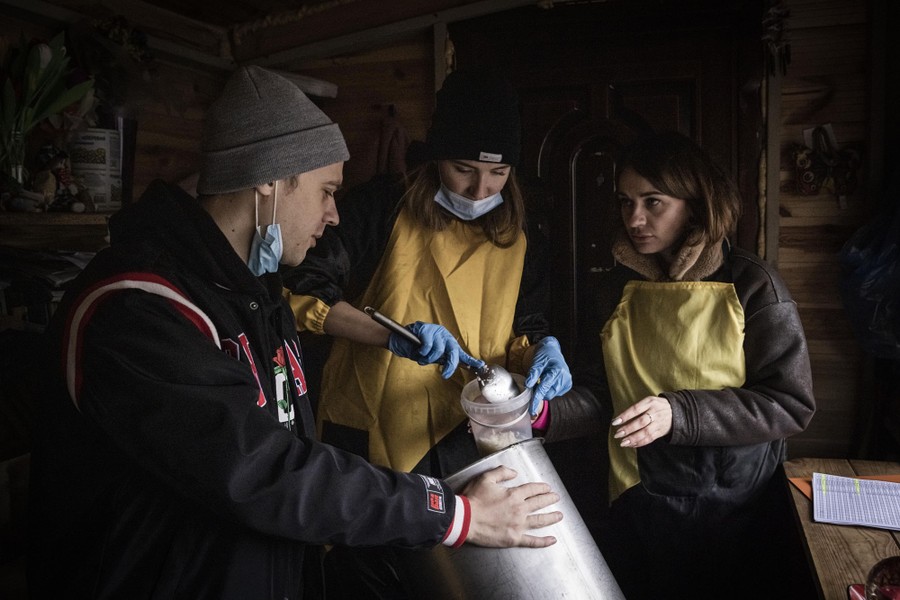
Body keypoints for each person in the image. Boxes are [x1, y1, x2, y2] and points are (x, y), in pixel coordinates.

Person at [25, 65, 564, 600]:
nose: (333, 215)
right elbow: (265, 471)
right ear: (270, 180)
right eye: (327, 190)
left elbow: (286, 463)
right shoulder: (137, 310)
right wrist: (453, 514)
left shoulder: (253, 297)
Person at [538, 131, 816, 599]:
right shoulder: (614, 289)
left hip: (731, 512)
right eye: (626, 202)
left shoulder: (753, 284)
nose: (635, 219)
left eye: (654, 202)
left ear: (696, 203)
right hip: (635, 502)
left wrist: (678, 413)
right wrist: (544, 414)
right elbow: (602, 392)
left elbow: (790, 404)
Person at [282, 69, 572, 479]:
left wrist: (542, 353)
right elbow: (302, 293)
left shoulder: (525, 237)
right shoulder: (382, 206)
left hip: (468, 431)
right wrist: (391, 335)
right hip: (372, 426)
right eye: (463, 169)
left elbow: (524, 329)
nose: (481, 190)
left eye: (499, 173)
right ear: (436, 156)